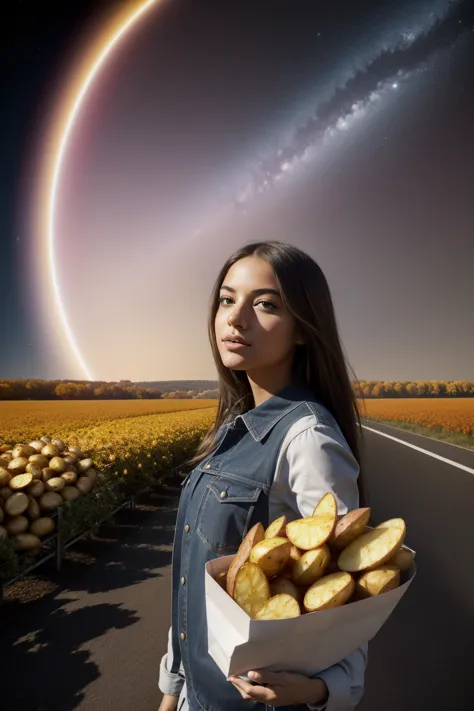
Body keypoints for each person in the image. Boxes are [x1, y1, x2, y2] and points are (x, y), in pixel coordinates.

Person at [158, 240, 368, 711]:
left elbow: (349, 587)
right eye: (227, 300)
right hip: (198, 694)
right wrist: (173, 691)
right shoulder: (232, 429)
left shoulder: (308, 438)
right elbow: (197, 579)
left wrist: (324, 689)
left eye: (266, 304)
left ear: (303, 329)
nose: (235, 318)